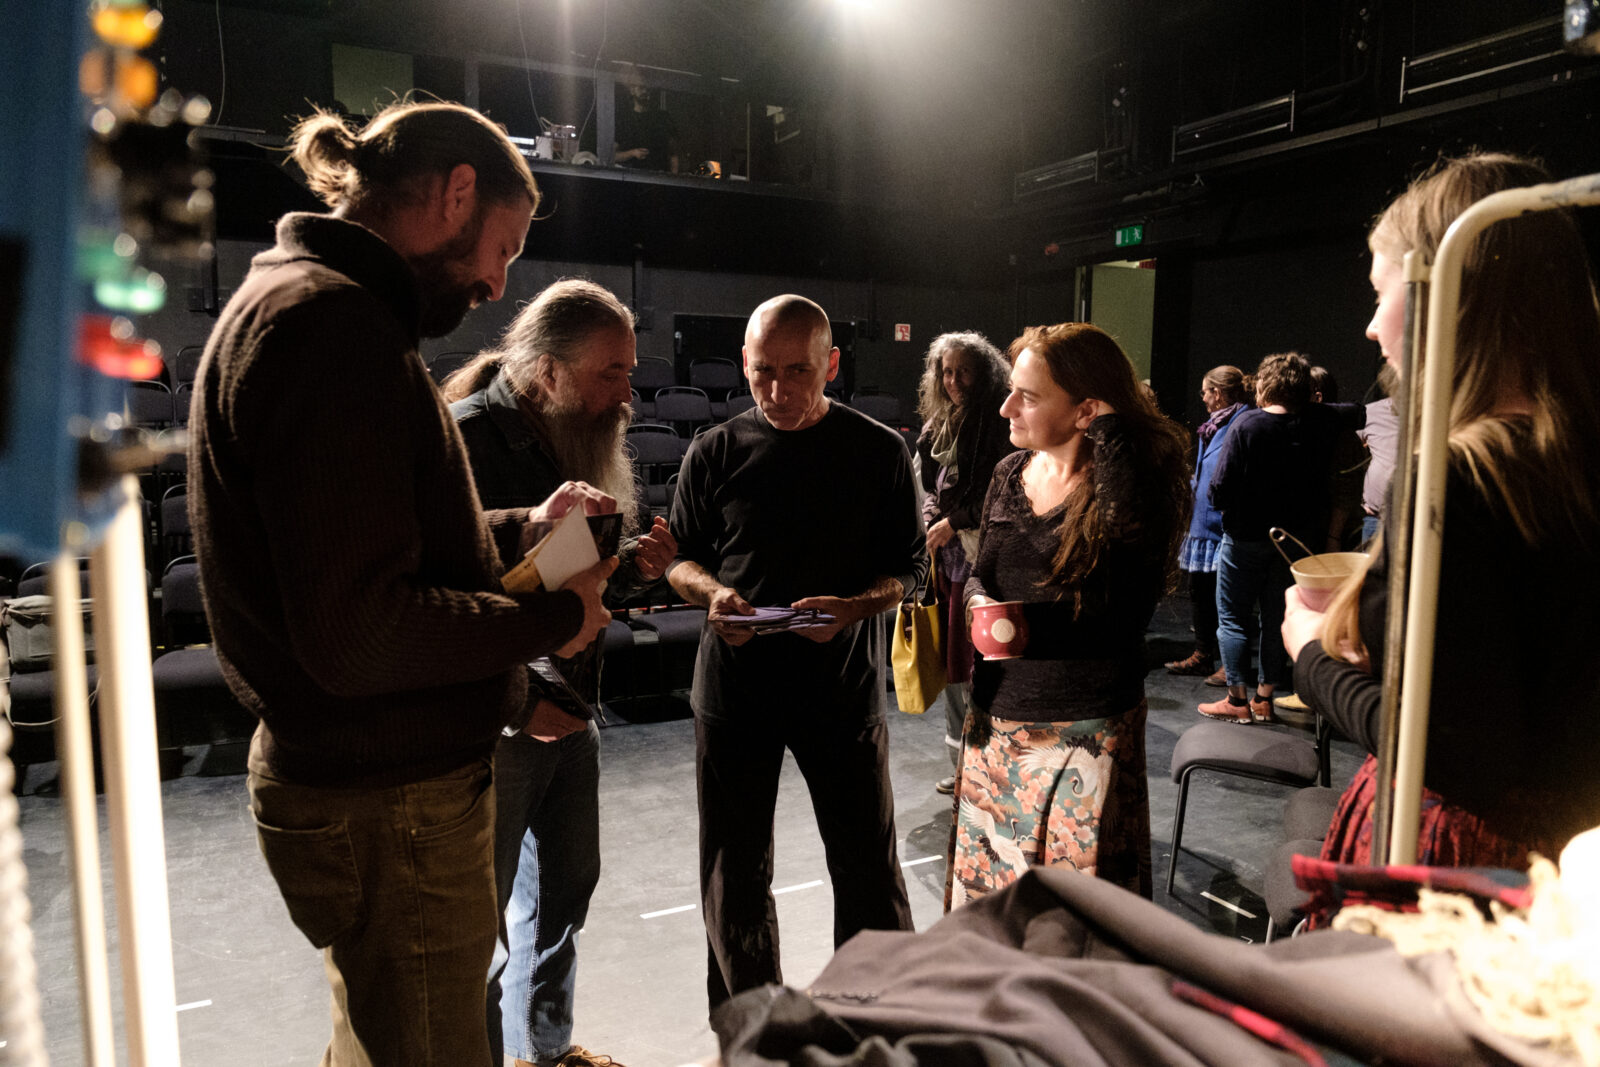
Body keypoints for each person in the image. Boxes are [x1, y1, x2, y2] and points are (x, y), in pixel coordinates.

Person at [186, 100, 617, 1066]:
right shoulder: (331, 329)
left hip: (365, 788)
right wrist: (552, 616)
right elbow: (361, 632)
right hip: (390, 805)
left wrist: (522, 527)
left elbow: (375, 542)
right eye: (501, 248)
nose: (496, 283)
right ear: (456, 193)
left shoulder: (308, 304)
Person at [1282, 152, 1600, 870]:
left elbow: (1455, 752)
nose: (1371, 327)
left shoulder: (1458, 476)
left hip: (1466, 856)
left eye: (1380, 294)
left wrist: (1310, 655)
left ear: (1451, 292)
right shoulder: (1573, 458)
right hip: (1576, 849)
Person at [666, 294, 925, 1014]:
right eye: (762, 372)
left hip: (840, 688)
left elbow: (912, 569)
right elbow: (680, 560)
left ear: (832, 364)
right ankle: (753, 1027)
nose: (777, 390)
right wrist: (712, 594)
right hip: (735, 690)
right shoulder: (714, 450)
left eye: (797, 372)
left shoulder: (879, 450)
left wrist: (855, 608)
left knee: (868, 869)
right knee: (734, 872)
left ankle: (878, 1016)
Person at [443, 280, 677, 1067]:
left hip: (574, 708)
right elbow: (446, 607)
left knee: (564, 898)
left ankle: (542, 1052)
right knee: (481, 931)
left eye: (629, 371)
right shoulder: (463, 443)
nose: (627, 393)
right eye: (610, 373)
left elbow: (576, 584)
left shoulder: (574, 433)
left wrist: (637, 568)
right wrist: (519, 706)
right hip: (499, 724)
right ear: (548, 372)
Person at [949, 323, 1190, 907]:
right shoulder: (1009, 473)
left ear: (1086, 410)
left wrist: (1111, 430)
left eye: (1028, 397)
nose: (1006, 407)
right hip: (996, 718)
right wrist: (978, 600)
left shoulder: (1131, 484)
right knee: (994, 911)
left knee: (1074, 920)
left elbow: (1127, 579)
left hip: (1087, 727)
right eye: (1011, 390)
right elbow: (983, 570)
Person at [1198, 352, 1362, 724]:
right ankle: (1264, 699)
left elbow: (1219, 490)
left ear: (1266, 384)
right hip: (1293, 542)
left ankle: (1236, 701)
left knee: (1232, 619)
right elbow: (1356, 411)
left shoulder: (1247, 424)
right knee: (1276, 618)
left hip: (1245, 538)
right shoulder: (1319, 421)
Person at [913, 331, 1015, 795]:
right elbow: (930, 486)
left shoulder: (997, 424)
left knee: (979, 660)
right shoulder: (940, 423)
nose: (953, 381)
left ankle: (986, 763)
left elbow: (998, 493)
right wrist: (933, 516)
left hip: (981, 555)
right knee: (954, 662)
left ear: (984, 374)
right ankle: (961, 763)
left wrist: (952, 522)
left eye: (964, 372)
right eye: (947, 372)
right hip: (948, 557)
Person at [1165, 365, 1249, 681]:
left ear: (1217, 392)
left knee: (1227, 598)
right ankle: (1203, 655)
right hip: (1202, 525)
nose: (1202, 398)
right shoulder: (1211, 427)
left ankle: (1232, 664)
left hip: (1223, 525)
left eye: (1205, 392)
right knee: (1200, 593)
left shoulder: (1242, 423)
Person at [1357, 365, 1400, 544]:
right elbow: (1348, 452)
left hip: (1416, 521)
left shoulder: (1436, 417)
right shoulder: (1371, 412)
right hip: (1375, 518)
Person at [613, 78, 679, 173]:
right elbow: (612, 156)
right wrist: (633, 153)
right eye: (641, 87)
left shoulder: (662, 118)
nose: (645, 91)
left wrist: (674, 177)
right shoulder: (624, 120)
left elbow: (673, 153)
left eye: (648, 89)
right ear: (632, 90)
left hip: (660, 176)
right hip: (632, 177)